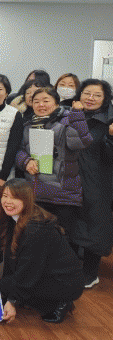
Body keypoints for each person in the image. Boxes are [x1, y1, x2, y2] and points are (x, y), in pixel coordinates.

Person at [0, 179, 84, 324]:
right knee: (4, 285)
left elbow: (30, 269)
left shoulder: (36, 229)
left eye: (15, 197)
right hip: (45, 272)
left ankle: (60, 303)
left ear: (27, 200)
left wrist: (12, 301)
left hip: (65, 282)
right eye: (5, 196)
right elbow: (10, 257)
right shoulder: (15, 217)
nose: (8, 201)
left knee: (7, 286)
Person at [15, 88, 92, 236]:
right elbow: (19, 150)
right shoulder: (28, 125)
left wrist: (77, 115)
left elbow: (83, 141)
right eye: (36, 101)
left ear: (57, 103)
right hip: (36, 192)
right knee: (37, 237)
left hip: (63, 195)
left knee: (62, 237)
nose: (41, 105)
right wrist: (26, 161)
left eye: (46, 101)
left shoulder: (68, 121)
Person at [72, 79, 113, 288]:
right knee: (72, 225)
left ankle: (90, 273)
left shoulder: (109, 123)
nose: (91, 98)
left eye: (97, 95)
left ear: (105, 99)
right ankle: (70, 270)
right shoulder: (69, 114)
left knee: (94, 227)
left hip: (98, 183)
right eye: (87, 93)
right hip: (71, 179)